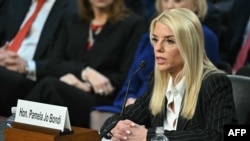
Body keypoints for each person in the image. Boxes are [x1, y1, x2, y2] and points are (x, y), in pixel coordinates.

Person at [100, 8, 237, 141]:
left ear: (189, 46)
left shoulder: (214, 83)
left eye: (169, 41)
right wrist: (117, 127)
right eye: (155, 39)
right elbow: (116, 120)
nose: (158, 48)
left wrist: (150, 137)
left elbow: (219, 135)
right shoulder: (159, 81)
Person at [24, 0, 147, 128]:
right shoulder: (72, 19)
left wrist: (87, 85)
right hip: (68, 86)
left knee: (50, 87)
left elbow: (128, 75)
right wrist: (84, 72)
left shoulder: (133, 24)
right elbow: (54, 63)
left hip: (102, 99)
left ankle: (14, 126)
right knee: (49, 90)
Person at [0, 0, 77, 117]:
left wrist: (28, 66)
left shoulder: (73, 9)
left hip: (31, 78)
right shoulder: (15, 2)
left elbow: (62, 62)